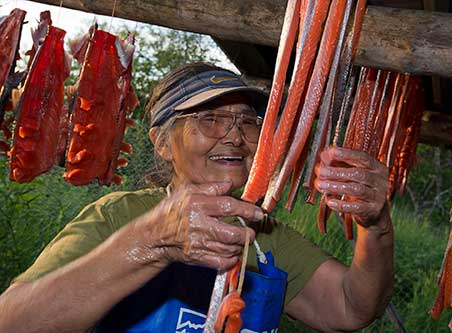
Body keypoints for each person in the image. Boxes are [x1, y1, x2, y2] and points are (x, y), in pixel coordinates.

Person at [0, 63, 394, 332]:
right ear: (163, 143)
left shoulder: (262, 233)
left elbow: (350, 306)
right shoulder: (119, 216)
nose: (235, 136)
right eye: (210, 119)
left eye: (246, 121)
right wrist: (151, 243)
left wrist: (375, 226)